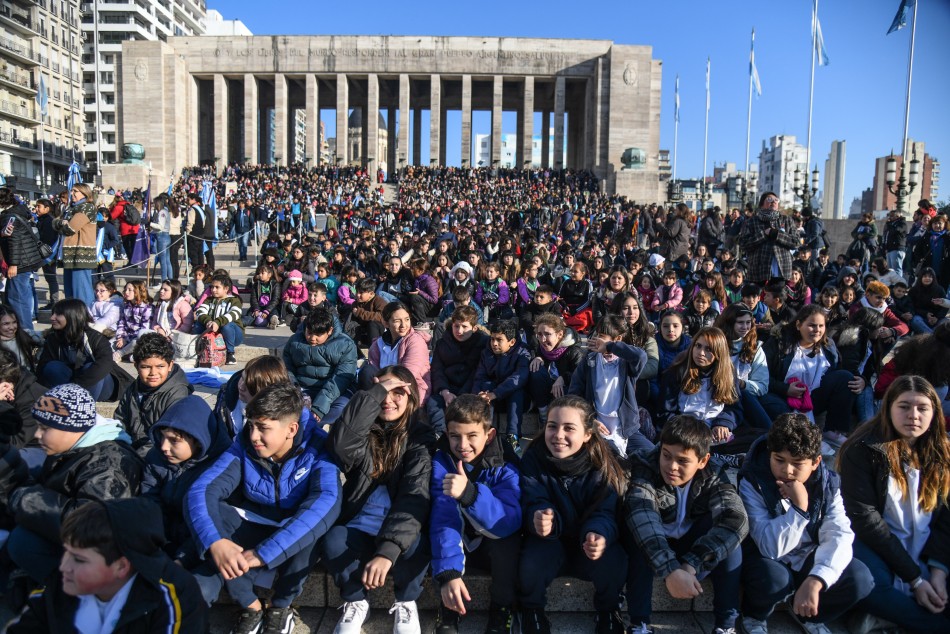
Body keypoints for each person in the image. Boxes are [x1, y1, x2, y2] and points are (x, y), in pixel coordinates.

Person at [186, 382, 341, 633]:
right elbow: (202, 490)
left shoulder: (318, 447)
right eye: (252, 425)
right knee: (218, 517)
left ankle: (281, 607)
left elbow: (326, 502)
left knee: (314, 527)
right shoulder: (244, 445)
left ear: (291, 429)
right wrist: (215, 542)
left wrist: (264, 553)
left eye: (263, 428)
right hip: (253, 520)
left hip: (292, 530)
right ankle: (250, 605)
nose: (254, 436)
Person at [319, 367, 435, 634]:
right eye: (383, 390)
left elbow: (413, 496)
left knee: (418, 543)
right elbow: (340, 446)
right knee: (334, 539)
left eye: (398, 392)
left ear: (412, 398)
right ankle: (356, 600)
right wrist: (372, 395)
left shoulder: (420, 437)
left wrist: (388, 550)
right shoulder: (364, 428)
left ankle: (406, 601)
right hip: (360, 522)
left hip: (398, 528)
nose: (388, 400)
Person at [737, 414, 874, 634]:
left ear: (815, 462)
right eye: (779, 460)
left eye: (797, 464)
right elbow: (769, 546)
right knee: (775, 578)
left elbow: (839, 533)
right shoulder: (753, 481)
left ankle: (809, 615)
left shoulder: (827, 484)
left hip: (807, 554)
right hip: (767, 557)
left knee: (860, 577)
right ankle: (754, 616)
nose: (787, 470)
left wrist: (816, 579)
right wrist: (800, 510)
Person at [838, 375, 950, 633]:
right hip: (875, 544)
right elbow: (866, 522)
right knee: (866, 584)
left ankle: (888, 615)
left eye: (923, 408)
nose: (913, 415)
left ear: (934, 412)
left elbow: (946, 520)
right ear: (889, 408)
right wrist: (916, 579)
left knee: (937, 592)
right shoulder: (863, 449)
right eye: (904, 406)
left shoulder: (942, 452)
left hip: (926, 546)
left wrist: (938, 572)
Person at [5, 498, 208, 633]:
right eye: (66, 552)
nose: (64, 567)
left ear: (121, 566)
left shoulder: (174, 598)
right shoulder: (61, 585)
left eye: (79, 559)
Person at [624, 416, 748, 634]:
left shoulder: (713, 473)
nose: (672, 466)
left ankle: (725, 626)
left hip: (692, 545)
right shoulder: (644, 465)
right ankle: (639, 623)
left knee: (730, 539)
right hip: (657, 544)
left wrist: (691, 565)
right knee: (639, 537)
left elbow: (736, 518)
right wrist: (671, 570)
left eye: (682, 461)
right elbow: (642, 517)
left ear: (702, 460)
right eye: (666, 455)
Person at [6, 384, 141, 584]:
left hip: (106, 558)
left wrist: (26, 499)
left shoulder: (108, 465)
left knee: (22, 541)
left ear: (72, 427)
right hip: (82, 545)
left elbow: (93, 525)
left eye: (45, 428)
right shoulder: (74, 448)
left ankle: (70, 596)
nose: (37, 435)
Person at [518, 395, 628, 634]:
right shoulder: (532, 459)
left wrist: (598, 534)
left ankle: (609, 611)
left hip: (586, 546)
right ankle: (532, 611)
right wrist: (538, 518)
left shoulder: (602, 465)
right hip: (550, 543)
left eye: (569, 428)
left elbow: (606, 512)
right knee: (531, 559)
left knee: (614, 558)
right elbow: (532, 500)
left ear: (587, 434)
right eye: (552, 426)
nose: (558, 435)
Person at [430, 395, 521, 634]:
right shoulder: (441, 462)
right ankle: (449, 607)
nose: (462, 445)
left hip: (492, 542)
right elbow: (443, 516)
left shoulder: (506, 466)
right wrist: (449, 574)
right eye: (454, 436)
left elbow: (508, 522)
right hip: (459, 541)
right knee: (434, 529)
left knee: (509, 544)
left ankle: (501, 607)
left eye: (472, 436)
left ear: (489, 435)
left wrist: (470, 495)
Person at [760, 305, 862, 449]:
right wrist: (785, 389)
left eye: (821, 326)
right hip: (782, 397)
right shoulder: (779, 343)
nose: (817, 330)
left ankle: (832, 430)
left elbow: (843, 368)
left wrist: (861, 379)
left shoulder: (828, 346)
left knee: (845, 378)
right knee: (773, 404)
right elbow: (761, 376)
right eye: (812, 325)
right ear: (798, 324)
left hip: (812, 397)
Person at [569, 315, 650, 455]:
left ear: (618, 339)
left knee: (652, 453)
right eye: (597, 334)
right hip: (598, 426)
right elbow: (574, 393)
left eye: (602, 336)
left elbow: (641, 356)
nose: (597, 339)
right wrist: (588, 420)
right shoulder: (589, 361)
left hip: (626, 428)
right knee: (612, 456)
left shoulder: (626, 362)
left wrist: (609, 347)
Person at [658, 327, 739, 444]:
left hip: (715, 428)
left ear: (719, 352)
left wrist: (723, 424)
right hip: (685, 430)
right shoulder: (676, 372)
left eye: (708, 349)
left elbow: (734, 407)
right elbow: (665, 411)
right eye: (698, 346)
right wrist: (687, 429)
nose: (701, 353)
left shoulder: (729, 373)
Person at [114, 333, 193, 454]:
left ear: (170, 365)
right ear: (136, 366)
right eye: (146, 367)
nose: (153, 373)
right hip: (132, 447)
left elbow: (166, 438)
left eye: (160, 366)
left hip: (159, 453)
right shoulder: (133, 389)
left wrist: (135, 458)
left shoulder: (177, 395)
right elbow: (120, 421)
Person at [36, 298, 123, 401]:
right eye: (53, 313)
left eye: (57, 314)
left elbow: (105, 364)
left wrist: (76, 386)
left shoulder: (95, 337)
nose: (52, 318)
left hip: (98, 386)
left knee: (90, 367)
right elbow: (42, 367)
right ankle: (66, 400)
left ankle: (83, 404)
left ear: (72, 316)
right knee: (52, 367)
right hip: (69, 384)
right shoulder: (53, 338)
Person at [282, 307, 357, 426]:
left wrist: (320, 407)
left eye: (318, 335)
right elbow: (287, 369)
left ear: (330, 330)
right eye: (309, 332)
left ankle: (314, 428)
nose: (312, 338)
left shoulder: (346, 345)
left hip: (333, 392)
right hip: (302, 388)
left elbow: (341, 379)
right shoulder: (294, 341)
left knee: (343, 408)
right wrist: (295, 389)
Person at [473, 319, 531, 448]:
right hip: (493, 399)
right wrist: (478, 395)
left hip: (516, 402)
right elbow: (479, 377)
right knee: (486, 386)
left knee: (517, 391)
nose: (494, 343)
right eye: (492, 339)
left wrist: (496, 393)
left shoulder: (523, 352)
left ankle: (513, 435)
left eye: (499, 340)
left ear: (512, 342)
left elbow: (519, 378)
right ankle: (486, 431)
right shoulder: (486, 352)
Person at [714, 304, 771, 430]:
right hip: (717, 394)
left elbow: (762, 386)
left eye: (748, 322)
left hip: (746, 398)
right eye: (740, 322)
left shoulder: (755, 349)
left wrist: (742, 384)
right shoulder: (715, 344)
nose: (745, 327)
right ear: (729, 322)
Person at [365, 301, 433, 403]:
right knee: (366, 371)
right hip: (382, 390)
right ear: (385, 323)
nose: (403, 325)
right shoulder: (377, 345)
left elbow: (408, 375)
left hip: (409, 390)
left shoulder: (415, 341)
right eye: (397, 321)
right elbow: (373, 372)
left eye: (407, 319)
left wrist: (383, 386)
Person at [0, 188, 44, 334]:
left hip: (20, 263)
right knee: (18, 298)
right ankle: (25, 331)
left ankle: (26, 333)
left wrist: (13, 265)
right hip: (25, 261)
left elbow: (14, 241)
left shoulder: (10, 216)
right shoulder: (17, 212)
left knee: (17, 299)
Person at [430, 306, 489, 412]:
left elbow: (478, 372)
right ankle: (440, 429)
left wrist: (463, 395)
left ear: (474, 328)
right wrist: (445, 392)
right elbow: (437, 370)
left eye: (464, 327)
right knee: (433, 403)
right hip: (447, 388)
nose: (459, 331)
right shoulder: (442, 343)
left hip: (471, 390)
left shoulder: (483, 344)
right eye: (456, 326)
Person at [527, 313, 585, 421]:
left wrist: (563, 378)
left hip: (565, 393)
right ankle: (544, 416)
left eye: (547, 334)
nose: (543, 339)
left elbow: (580, 375)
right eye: (539, 334)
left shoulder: (574, 352)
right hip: (546, 391)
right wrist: (538, 358)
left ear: (559, 334)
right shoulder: (540, 348)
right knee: (536, 371)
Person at [738, 192, 800, 284]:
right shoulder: (751, 221)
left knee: (778, 297)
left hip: (782, 270)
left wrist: (777, 234)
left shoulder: (786, 220)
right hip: (758, 271)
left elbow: (796, 242)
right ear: (762, 204)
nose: (773, 202)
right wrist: (763, 235)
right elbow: (743, 244)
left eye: (776, 200)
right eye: (769, 199)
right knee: (759, 297)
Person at [53, 183, 98, 308]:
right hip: (69, 254)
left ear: (85, 193)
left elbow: (70, 228)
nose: (72, 194)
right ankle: (72, 319)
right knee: (70, 293)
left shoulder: (87, 207)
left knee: (81, 292)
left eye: (75, 191)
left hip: (81, 254)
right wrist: (61, 222)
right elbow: (55, 222)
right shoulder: (70, 209)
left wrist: (61, 223)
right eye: (71, 191)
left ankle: (85, 319)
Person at [193, 272, 244, 366]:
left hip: (233, 336)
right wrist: (208, 321)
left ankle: (230, 354)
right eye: (212, 287)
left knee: (227, 326)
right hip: (214, 333)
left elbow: (234, 314)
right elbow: (200, 312)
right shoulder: (209, 300)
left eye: (217, 287)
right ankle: (197, 350)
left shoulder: (234, 300)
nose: (213, 289)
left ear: (226, 289)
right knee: (197, 325)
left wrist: (217, 322)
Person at [113, 280, 154, 358]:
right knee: (110, 344)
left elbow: (144, 330)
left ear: (138, 291)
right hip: (127, 337)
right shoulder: (126, 306)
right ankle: (130, 354)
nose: (126, 292)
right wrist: (121, 337)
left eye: (129, 290)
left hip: (138, 338)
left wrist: (127, 339)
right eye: (125, 289)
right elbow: (122, 323)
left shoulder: (147, 308)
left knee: (136, 342)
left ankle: (121, 353)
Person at [34, 197, 61, 310]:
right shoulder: (42, 219)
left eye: (38, 207)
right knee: (49, 278)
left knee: (51, 278)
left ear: (47, 208)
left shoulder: (49, 220)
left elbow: (49, 239)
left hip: (48, 254)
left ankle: (54, 302)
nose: (36, 209)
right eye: (36, 206)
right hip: (43, 253)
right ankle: (53, 301)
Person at [0, 305, 36, 372]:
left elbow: (43, 336)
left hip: (26, 379)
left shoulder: (23, 335)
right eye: (6, 324)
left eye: (14, 322)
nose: (12, 327)